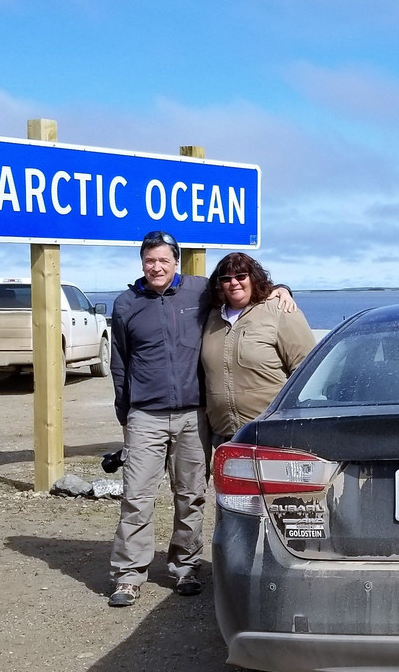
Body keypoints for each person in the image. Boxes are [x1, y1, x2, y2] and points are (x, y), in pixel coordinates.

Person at [107, 231, 293, 607]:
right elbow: (120, 363)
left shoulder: (199, 292)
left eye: (164, 260)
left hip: (193, 414)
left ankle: (185, 567)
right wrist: (125, 413)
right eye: (149, 260)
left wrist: (281, 289)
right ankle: (129, 575)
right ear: (141, 263)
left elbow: (242, 291)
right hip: (145, 415)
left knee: (191, 496)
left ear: (176, 261)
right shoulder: (126, 303)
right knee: (137, 497)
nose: (156, 267)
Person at [201, 253, 316, 447]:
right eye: (226, 279)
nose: (234, 283)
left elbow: (307, 371)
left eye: (241, 276)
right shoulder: (211, 316)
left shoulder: (280, 310)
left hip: (272, 431)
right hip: (224, 435)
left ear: (253, 277)